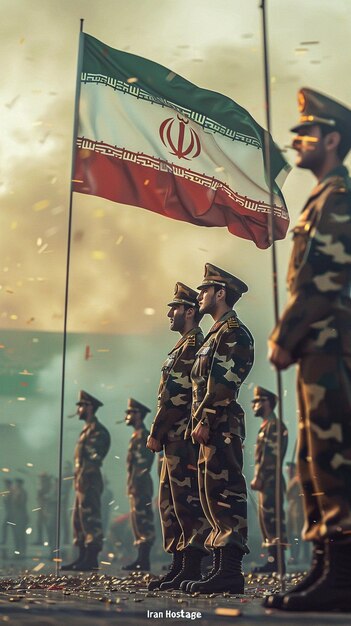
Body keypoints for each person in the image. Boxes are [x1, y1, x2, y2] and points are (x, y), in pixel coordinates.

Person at [266, 88, 351, 612]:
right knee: (313, 460)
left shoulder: (338, 198)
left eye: (307, 133)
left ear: (333, 140)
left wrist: (284, 335)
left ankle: (342, 579)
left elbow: (322, 281)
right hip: (317, 348)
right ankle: (324, 566)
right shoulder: (320, 198)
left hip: (331, 345)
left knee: (335, 458)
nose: (297, 140)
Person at [188, 263, 254, 593]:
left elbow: (226, 384)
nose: (199, 296)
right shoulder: (215, 334)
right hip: (212, 424)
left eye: (204, 290)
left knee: (226, 493)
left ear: (220, 293)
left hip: (221, 423)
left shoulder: (233, 333)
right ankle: (218, 569)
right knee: (211, 496)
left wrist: (205, 418)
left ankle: (230, 572)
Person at [146, 282, 210, 590]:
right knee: (170, 503)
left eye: (175, 308)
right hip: (174, 436)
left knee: (186, 503)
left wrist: (156, 431)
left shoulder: (193, 343)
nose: (170, 314)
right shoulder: (183, 344)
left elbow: (174, 396)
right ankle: (179, 565)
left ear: (189, 311)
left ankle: (192, 566)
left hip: (181, 436)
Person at [61, 390, 111, 572]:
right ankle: (82, 556)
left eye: (81, 406)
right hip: (81, 480)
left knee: (90, 518)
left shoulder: (98, 431)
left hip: (89, 479)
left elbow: (96, 457)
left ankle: (91, 558)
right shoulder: (86, 430)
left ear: (89, 407)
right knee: (79, 519)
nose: (79, 409)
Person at [250, 386, 288, 574]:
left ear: (267, 403)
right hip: (268, 481)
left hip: (271, 480)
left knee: (273, 519)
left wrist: (259, 476)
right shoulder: (267, 425)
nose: (253, 406)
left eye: (257, 401)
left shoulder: (275, 426)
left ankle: (277, 563)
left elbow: (271, 457)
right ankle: (273, 561)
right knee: (266, 519)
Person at [122, 398, 155, 571]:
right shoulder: (137, 435)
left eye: (130, 412)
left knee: (143, 520)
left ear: (138, 415)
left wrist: (136, 484)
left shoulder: (143, 436)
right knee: (137, 520)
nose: (126, 415)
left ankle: (144, 559)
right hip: (136, 484)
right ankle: (141, 559)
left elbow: (143, 465)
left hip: (141, 484)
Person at [286, 462, 310, 566]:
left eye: (291, 469)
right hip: (291, 511)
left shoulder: (298, 480)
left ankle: (301, 557)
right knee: (292, 536)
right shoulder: (292, 480)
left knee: (298, 536)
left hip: (299, 512)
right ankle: (295, 557)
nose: (288, 471)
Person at [12, 478, 28, 558]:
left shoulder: (22, 493)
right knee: (16, 535)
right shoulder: (16, 492)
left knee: (20, 535)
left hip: (21, 516)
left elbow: (20, 504)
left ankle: (22, 552)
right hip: (16, 516)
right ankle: (18, 551)